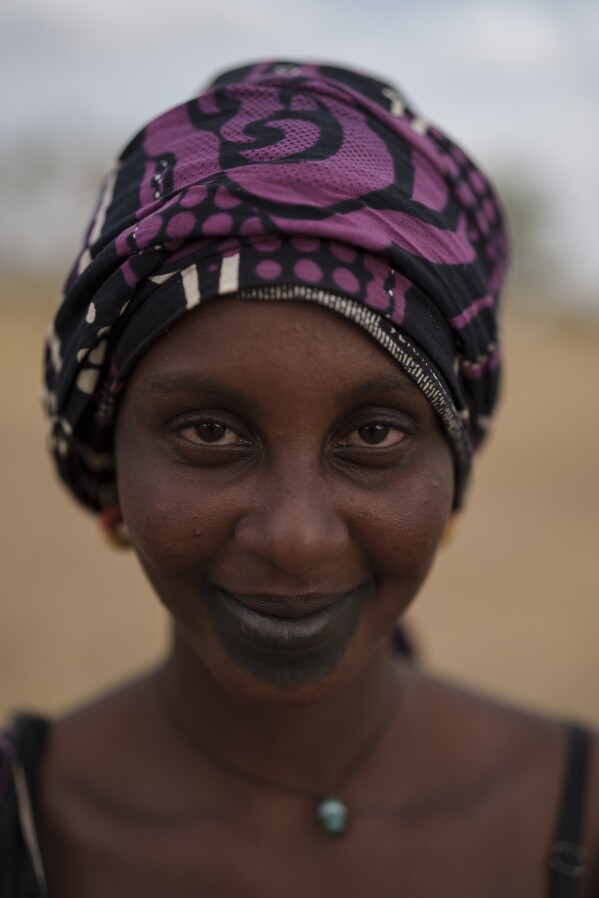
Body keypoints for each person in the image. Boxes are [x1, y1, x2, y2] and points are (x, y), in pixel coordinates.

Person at [1, 59, 597, 897]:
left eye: (375, 434)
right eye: (209, 432)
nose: (294, 538)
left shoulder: (577, 817)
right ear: (110, 469)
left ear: (453, 472)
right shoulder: (29, 820)